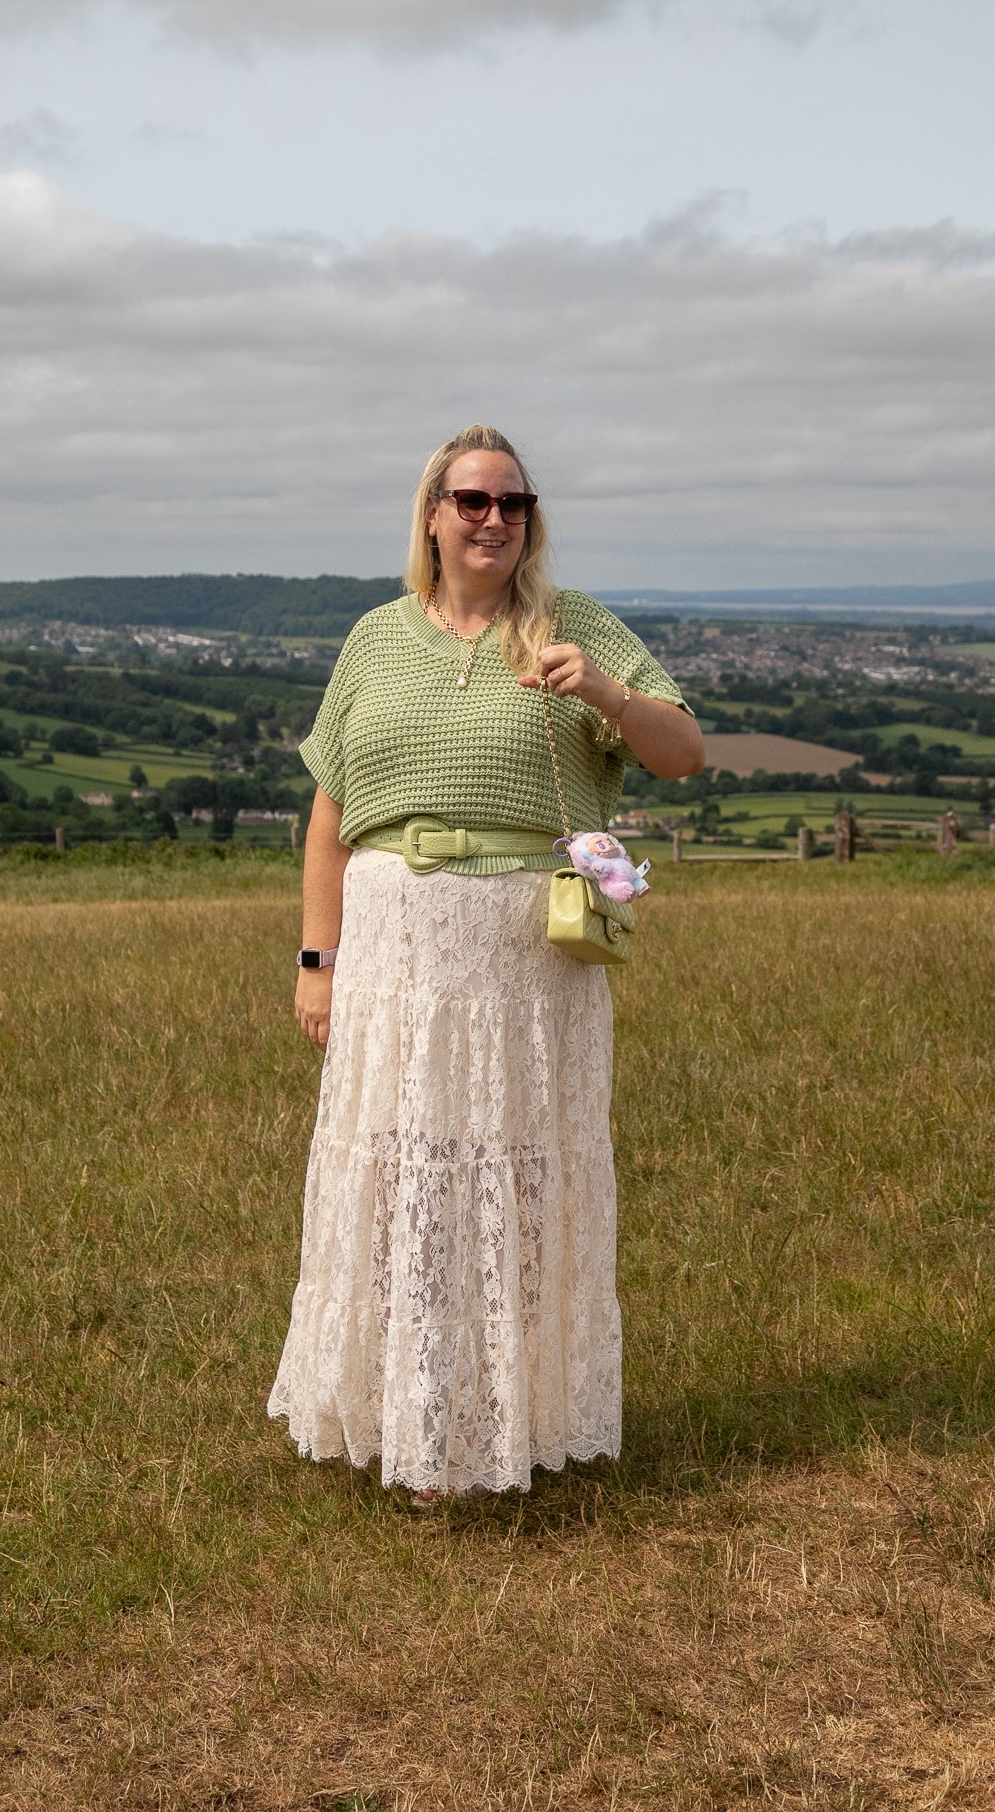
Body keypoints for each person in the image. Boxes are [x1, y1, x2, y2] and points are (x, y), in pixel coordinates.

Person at [268, 424, 704, 1501]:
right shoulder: (374, 638)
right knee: (396, 1174)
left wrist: (604, 692)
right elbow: (329, 813)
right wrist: (317, 958)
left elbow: (685, 751)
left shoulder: (574, 625)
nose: (493, 518)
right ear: (431, 514)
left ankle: (490, 1422)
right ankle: (398, 1408)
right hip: (393, 947)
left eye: (512, 501)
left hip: (524, 956)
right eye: (471, 500)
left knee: (515, 1181)